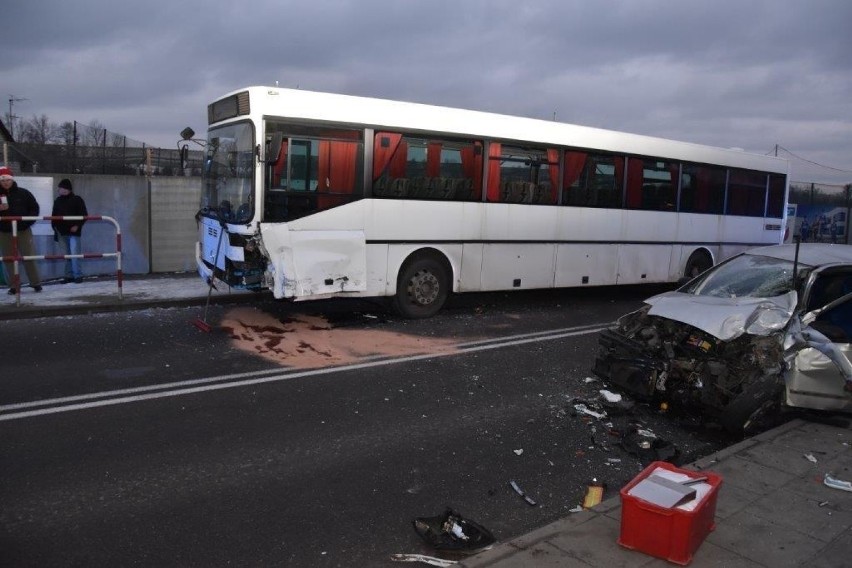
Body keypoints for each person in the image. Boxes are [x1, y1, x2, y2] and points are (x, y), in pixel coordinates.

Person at [0, 166, 43, 294]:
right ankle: (14, 285)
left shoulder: (24, 193)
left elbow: (34, 209)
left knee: (28, 256)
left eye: (7, 179)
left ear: (12, 179)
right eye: (2, 180)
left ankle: (36, 283)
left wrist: (26, 223)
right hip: (4, 232)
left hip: (23, 231)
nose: (5, 182)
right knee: (8, 259)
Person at [51, 178, 88, 283]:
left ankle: (77, 275)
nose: (61, 190)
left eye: (63, 188)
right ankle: (69, 276)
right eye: (60, 188)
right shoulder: (57, 201)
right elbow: (54, 215)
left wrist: (77, 225)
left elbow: (84, 214)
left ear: (68, 189)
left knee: (74, 254)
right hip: (61, 232)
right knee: (66, 255)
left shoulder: (77, 199)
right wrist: (55, 228)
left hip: (73, 232)